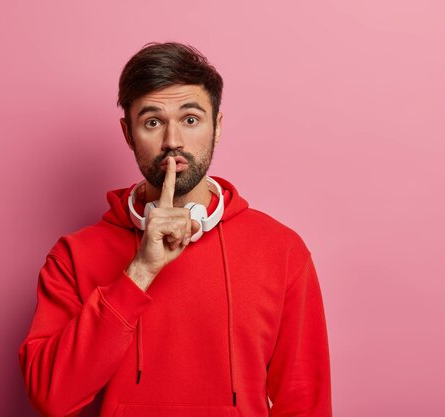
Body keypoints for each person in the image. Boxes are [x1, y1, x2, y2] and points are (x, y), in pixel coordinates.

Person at [19, 42, 332, 417]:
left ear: (216, 127)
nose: (173, 142)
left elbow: (304, 401)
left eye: (190, 119)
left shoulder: (282, 250)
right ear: (128, 134)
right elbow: (50, 397)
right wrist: (140, 272)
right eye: (153, 122)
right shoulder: (73, 256)